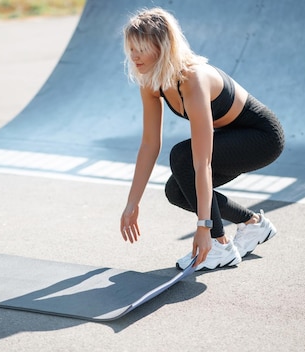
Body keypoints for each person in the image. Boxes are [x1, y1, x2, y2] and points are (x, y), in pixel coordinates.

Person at [119, 8, 285, 271]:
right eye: (130, 48)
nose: (134, 56)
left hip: (261, 139)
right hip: (231, 138)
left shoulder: (193, 79)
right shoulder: (150, 81)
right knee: (176, 191)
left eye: (141, 48)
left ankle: (220, 246)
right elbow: (150, 144)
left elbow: (202, 162)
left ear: (162, 47)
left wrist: (205, 227)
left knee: (182, 157)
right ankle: (253, 225)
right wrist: (132, 203)